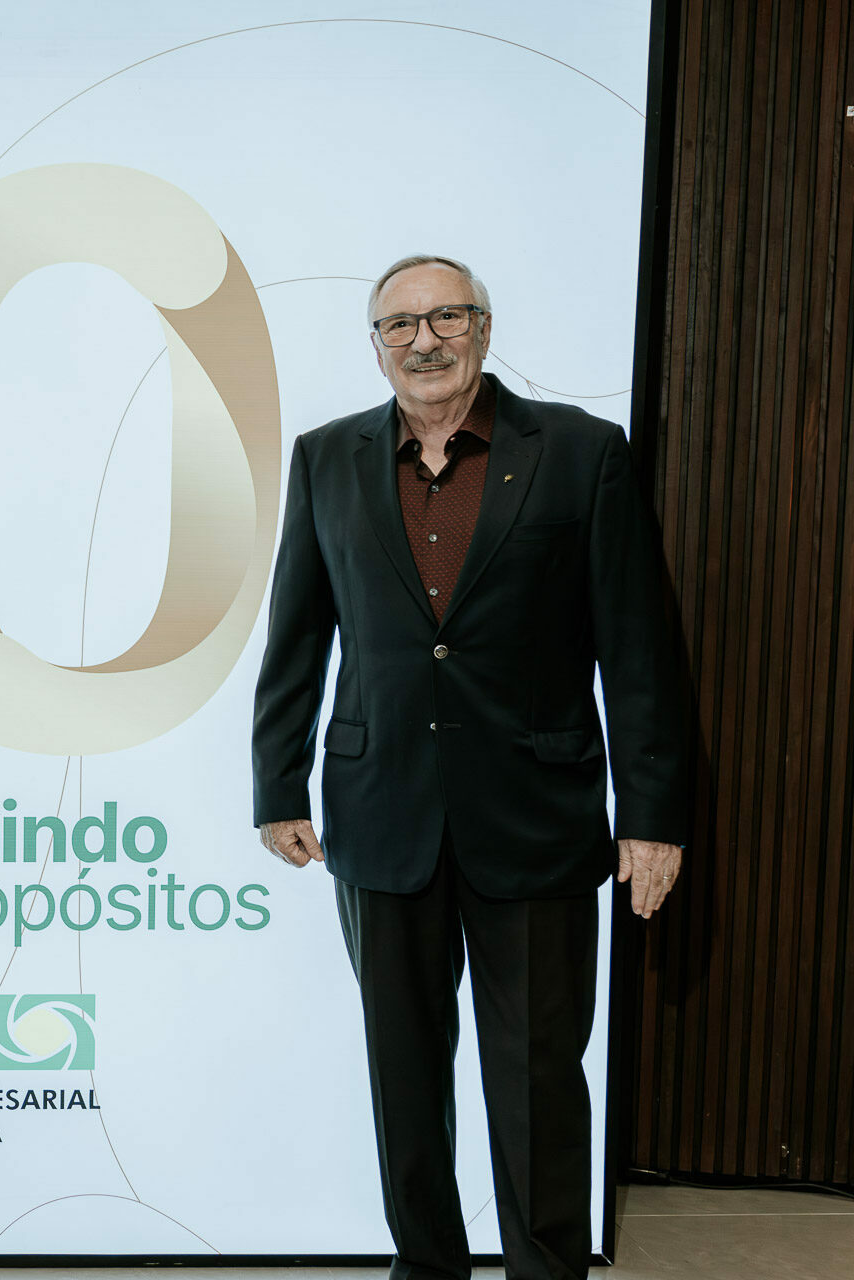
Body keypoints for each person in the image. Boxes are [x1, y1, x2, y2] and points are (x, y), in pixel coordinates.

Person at [251, 255, 689, 1280]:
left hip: (536, 817)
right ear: (376, 345)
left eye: (446, 317)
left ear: (483, 330)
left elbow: (639, 646)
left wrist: (652, 815)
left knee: (538, 1082)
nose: (424, 341)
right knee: (404, 1077)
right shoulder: (326, 457)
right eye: (399, 325)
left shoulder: (581, 452)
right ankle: (428, 1271)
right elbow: (298, 634)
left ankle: (547, 1271)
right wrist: (278, 785)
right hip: (380, 812)